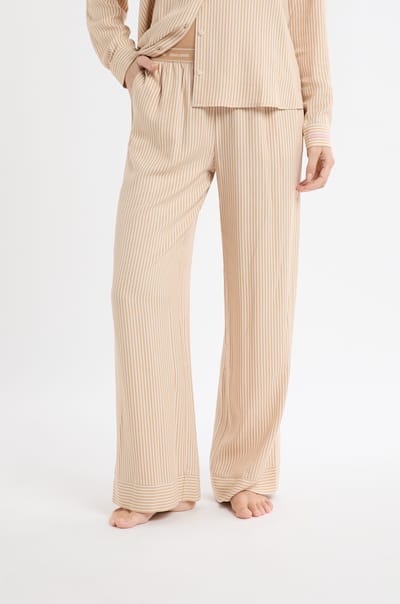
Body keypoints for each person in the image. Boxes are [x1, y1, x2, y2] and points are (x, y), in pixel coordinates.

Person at [86, 0, 335, 528]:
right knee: (139, 288)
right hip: (169, 90)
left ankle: (247, 469)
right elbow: (104, 8)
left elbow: (307, 19)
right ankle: (155, 474)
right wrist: (122, 58)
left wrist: (319, 125)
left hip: (266, 97)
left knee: (262, 293)